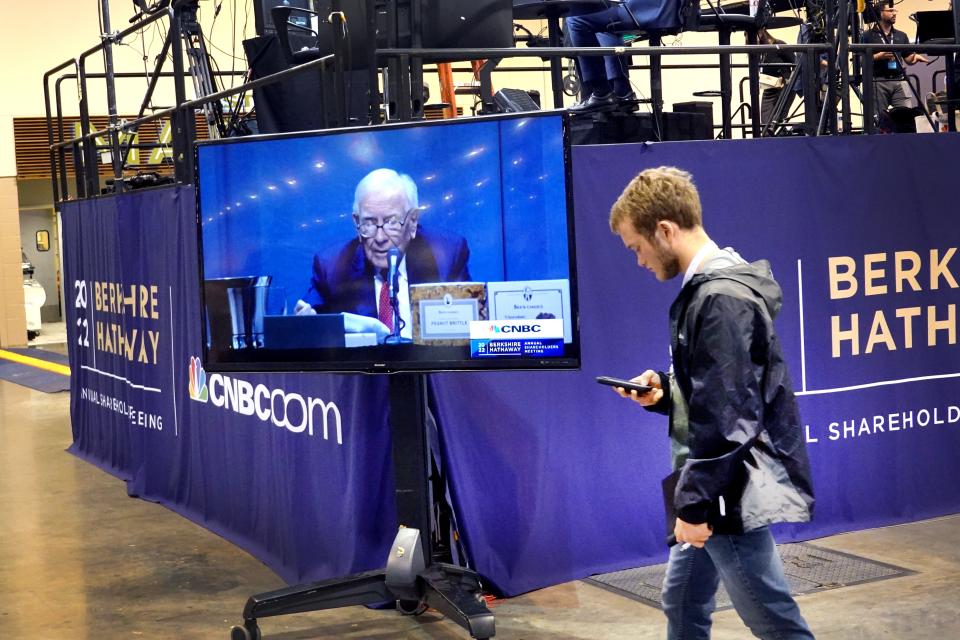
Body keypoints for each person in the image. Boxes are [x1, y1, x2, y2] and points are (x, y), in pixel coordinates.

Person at [607, 167, 816, 639]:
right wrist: (664, 390)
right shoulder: (710, 289)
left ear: (664, 230)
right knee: (681, 602)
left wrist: (696, 507)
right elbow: (717, 388)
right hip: (709, 483)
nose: (638, 261)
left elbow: (730, 416)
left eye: (636, 247)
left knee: (773, 620)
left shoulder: (720, 298)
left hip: (725, 487)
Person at [296, 168, 471, 341]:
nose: (380, 237)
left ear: (412, 221)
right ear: (356, 222)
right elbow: (309, 320)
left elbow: (468, 331)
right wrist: (306, 322)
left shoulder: (447, 255)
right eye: (369, 223)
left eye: (392, 222)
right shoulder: (333, 265)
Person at [566, 0, 687, 113]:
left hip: (649, 11)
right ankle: (621, 92)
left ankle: (601, 93)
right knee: (601, 19)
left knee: (576, 20)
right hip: (670, 11)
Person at [861, 3, 929, 121]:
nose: (894, 14)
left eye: (894, 11)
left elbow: (907, 59)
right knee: (879, 119)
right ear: (880, 13)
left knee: (907, 117)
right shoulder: (867, 36)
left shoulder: (901, 35)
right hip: (878, 81)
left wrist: (915, 57)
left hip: (899, 80)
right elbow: (860, 61)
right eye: (890, 10)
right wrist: (878, 56)